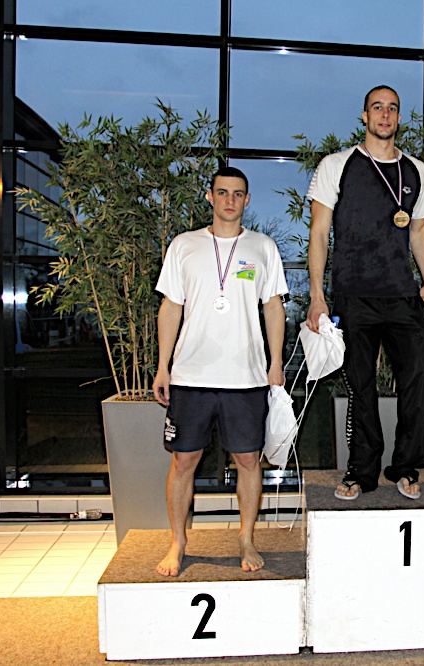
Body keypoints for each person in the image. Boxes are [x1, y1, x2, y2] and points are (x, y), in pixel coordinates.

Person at [152, 166, 288, 576]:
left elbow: (273, 307)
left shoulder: (263, 247)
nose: (230, 200)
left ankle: (246, 537)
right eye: (223, 192)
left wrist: (275, 363)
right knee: (183, 461)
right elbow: (170, 307)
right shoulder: (184, 245)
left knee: (248, 460)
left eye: (238, 193)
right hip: (190, 376)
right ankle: (178, 541)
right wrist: (163, 366)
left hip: (246, 377)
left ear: (247, 200)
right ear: (210, 196)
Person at [305, 85, 424, 501]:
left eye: (392, 108)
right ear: (364, 116)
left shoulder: (415, 170)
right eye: (377, 107)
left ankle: (405, 467)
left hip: (402, 296)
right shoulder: (337, 165)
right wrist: (317, 295)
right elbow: (319, 233)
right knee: (361, 388)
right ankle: (362, 472)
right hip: (353, 294)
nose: (384, 114)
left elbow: (418, 228)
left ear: (399, 117)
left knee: (417, 382)